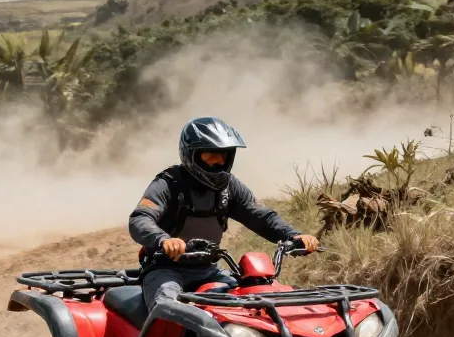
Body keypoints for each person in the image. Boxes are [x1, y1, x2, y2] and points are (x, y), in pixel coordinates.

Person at [128, 116, 320, 311]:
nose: (218, 161)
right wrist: (163, 240)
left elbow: (261, 216)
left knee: (252, 303)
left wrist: (293, 235)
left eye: (223, 155)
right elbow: (140, 219)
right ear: (191, 154)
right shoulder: (169, 183)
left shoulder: (229, 187)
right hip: (165, 270)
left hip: (208, 270)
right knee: (167, 308)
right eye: (210, 155)